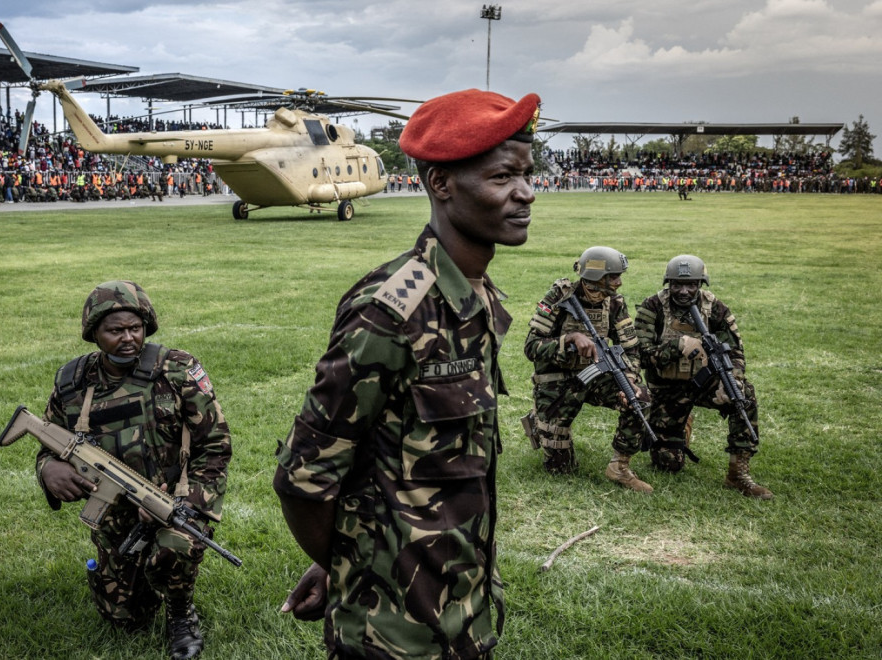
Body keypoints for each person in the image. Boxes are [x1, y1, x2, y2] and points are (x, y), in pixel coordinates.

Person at [274, 88, 540, 659]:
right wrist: (348, 564)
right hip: (394, 636)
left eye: (526, 174)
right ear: (441, 183)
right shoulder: (392, 312)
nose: (526, 193)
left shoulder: (474, 296)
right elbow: (304, 479)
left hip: (463, 610)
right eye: (502, 177)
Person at [35, 281, 233, 659]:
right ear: (94, 332)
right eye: (115, 330)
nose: (128, 338)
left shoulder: (176, 370)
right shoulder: (73, 383)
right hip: (113, 511)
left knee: (175, 548)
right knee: (124, 618)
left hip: (173, 501)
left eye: (135, 328)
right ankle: (134, 580)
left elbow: (216, 446)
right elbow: (49, 441)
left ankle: (180, 611)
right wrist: (48, 470)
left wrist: (185, 503)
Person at [634, 255, 773, 499]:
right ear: (668, 283)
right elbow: (640, 355)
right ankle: (682, 424)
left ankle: (737, 474)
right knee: (668, 464)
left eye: (691, 285)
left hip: (705, 382)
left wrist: (733, 380)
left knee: (743, 394)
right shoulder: (652, 307)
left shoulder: (715, 308)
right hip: (666, 389)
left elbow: (736, 352)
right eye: (677, 285)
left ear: (701, 283)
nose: (684, 291)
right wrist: (677, 346)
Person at [521, 246, 653, 493]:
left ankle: (619, 467)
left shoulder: (614, 303)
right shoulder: (559, 297)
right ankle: (543, 419)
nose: (619, 282)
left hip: (596, 377)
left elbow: (632, 349)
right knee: (560, 469)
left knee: (639, 398)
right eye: (613, 277)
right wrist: (569, 339)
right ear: (596, 277)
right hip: (557, 381)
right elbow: (531, 346)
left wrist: (630, 379)